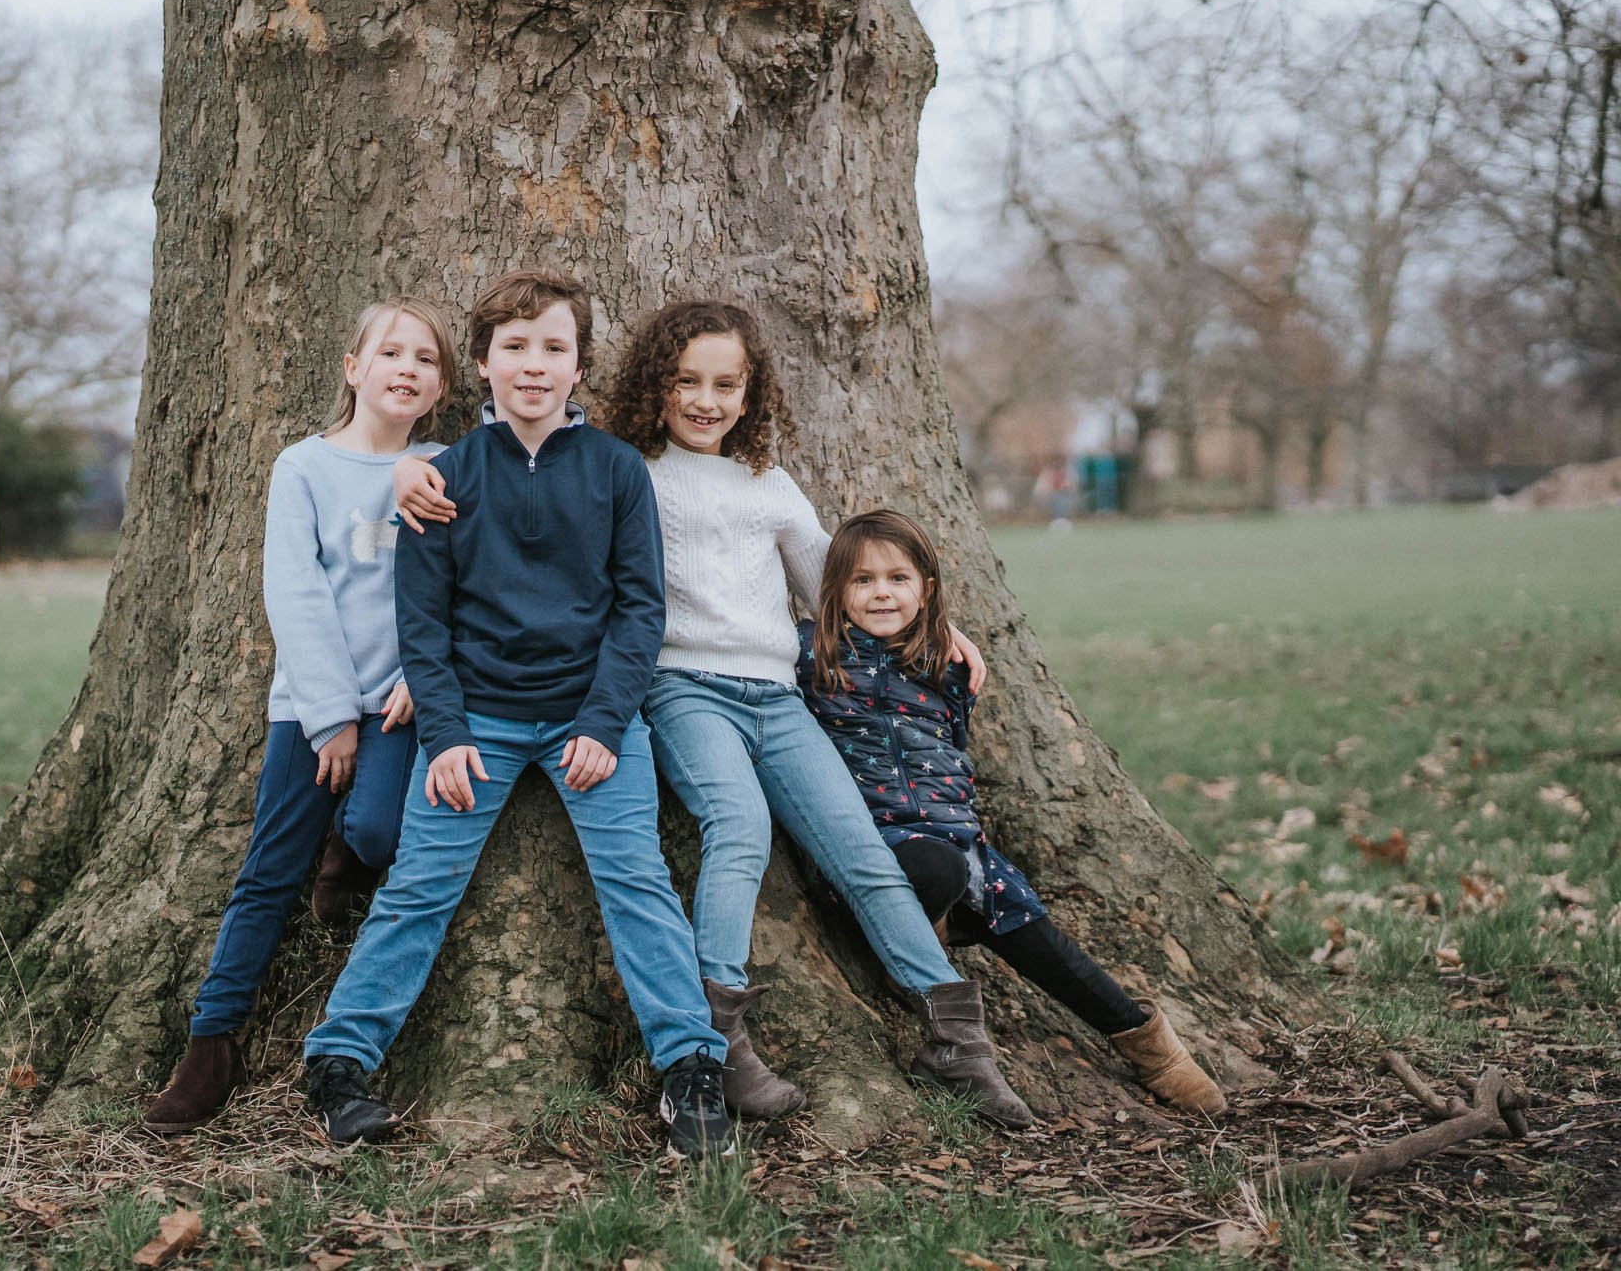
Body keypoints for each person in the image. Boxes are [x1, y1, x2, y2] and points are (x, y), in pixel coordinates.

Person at [403, 299, 1033, 1129]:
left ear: (750, 393)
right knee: (739, 826)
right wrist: (406, 464)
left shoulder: (768, 485)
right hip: (682, 688)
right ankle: (718, 1041)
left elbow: (831, 586)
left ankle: (956, 1037)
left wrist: (938, 628)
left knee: (864, 854)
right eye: (686, 381)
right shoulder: (626, 471)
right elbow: (524, 471)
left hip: (777, 695)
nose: (705, 399)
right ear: (655, 387)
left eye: (725, 384)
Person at [300, 270, 733, 1160]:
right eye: (514, 347)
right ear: (485, 366)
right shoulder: (443, 477)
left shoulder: (616, 470)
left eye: (554, 348)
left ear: (579, 366)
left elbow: (639, 610)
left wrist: (607, 724)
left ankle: (691, 1064)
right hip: (479, 725)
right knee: (419, 884)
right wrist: (449, 737)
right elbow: (422, 623)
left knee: (639, 882)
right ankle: (339, 1062)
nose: (534, 365)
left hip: (592, 724)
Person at [143, 297, 457, 1135]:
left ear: (441, 385)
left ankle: (344, 853)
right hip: (312, 709)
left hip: (403, 703)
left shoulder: (450, 465)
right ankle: (209, 1045)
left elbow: (471, 585)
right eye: (390, 351)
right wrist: (328, 716)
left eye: (425, 359)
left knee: (385, 836)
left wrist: (429, 678)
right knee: (266, 877)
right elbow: (296, 590)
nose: (407, 368)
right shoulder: (305, 467)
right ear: (353, 369)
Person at [799, 508, 1227, 1117]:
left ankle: (1151, 1048)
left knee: (1037, 936)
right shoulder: (812, 660)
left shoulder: (944, 666)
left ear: (926, 589)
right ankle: (911, 938)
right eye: (862, 581)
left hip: (958, 841)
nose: (880, 593)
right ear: (836, 591)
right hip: (873, 850)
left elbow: (951, 750)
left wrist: (951, 638)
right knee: (935, 871)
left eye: (897, 578)